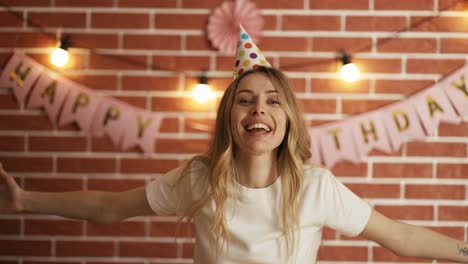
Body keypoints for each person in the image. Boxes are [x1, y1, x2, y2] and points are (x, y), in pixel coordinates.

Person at [1, 65, 467, 263]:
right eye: (245, 101)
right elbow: (110, 207)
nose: (258, 110)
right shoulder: (200, 179)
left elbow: (400, 236)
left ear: (288, 120)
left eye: (272, 102)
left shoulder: (316, 188)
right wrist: (23, 201)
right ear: (230, 117)